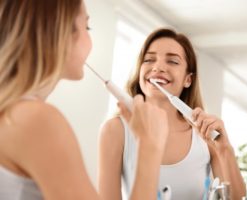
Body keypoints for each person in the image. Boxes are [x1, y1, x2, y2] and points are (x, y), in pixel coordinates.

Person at [0, 1, 169, 200]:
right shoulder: (37, 120)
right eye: (87, 26)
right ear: (58, 32)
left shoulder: (15, 112)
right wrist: (150, 147)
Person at [98, 28, 246, 200]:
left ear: (188, 79)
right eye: (149, 60)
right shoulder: (115, 130)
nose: (158, 67)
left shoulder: (205, 135)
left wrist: (225, 150)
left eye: (173, 62)